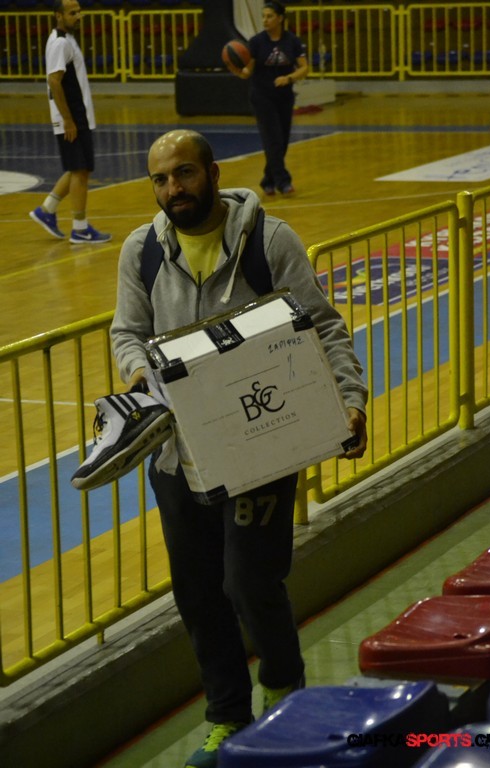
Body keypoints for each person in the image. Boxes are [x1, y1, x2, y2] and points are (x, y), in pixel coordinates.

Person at [110, 129, 368, 768]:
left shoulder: (269, 241)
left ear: (213, 173)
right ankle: (227, 715)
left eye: (185, 173)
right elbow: (127, 332)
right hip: (179, 455)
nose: (174, 189)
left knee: (249, 580)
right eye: (161, 179)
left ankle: (283, 690)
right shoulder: (141, 250)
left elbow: (322, 324)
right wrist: (137, 370)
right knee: (198, 593)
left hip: (261, 445)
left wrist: (350, 399)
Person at [29, 0, 111, 244]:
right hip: (72, 117)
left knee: (79, 168)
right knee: (80, 172)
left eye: (79, 12)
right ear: (58, 15)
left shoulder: (66, 39)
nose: (78, 16)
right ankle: (80, 228)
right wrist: (68, 120)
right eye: (72, 13)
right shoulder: (60, 43)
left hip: (77, 116)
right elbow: (54, 81)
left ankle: (47, 210)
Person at [227, 1, 308, 196]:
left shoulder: (292, 41)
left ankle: (268, 180)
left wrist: (289, 78)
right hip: (262, 96)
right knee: (274, 140)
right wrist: (236, 70)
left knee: (283, 141)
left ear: (280, 18)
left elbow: (305, 68)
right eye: (263, 16)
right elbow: (248, 72)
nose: (265, 20)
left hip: (285, 96)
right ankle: (283, 182)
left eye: (269, 16)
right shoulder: (256, 42)